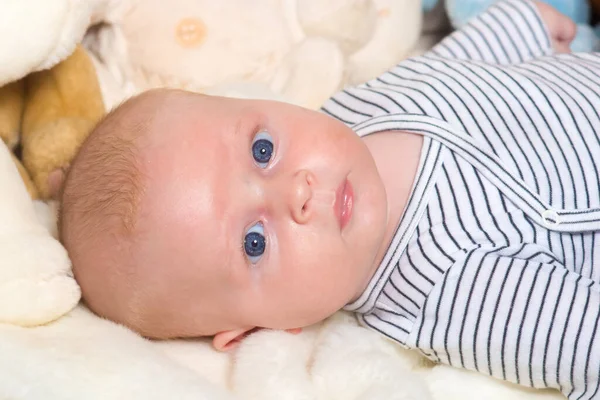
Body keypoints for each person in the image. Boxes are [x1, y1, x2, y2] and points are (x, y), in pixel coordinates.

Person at [58, 0, 600, 398]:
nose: (296, 191)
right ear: (258, 327)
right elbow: (584, 339)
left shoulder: (349, 113)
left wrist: (514, 28)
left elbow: (444, 73)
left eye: (263, 149)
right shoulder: (446, 289)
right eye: (254, 242)